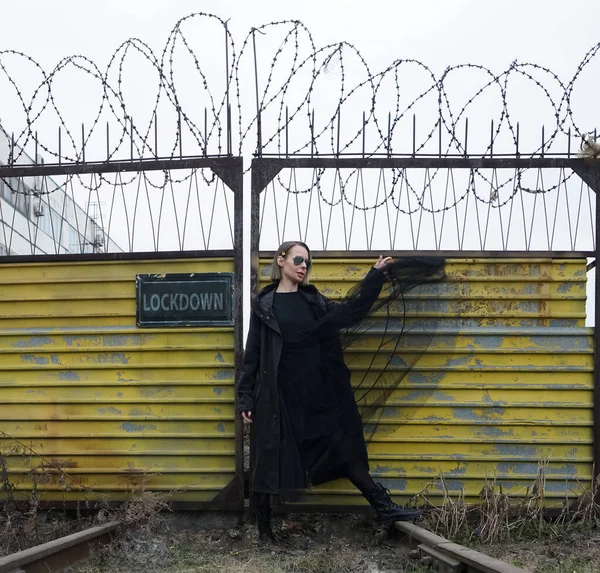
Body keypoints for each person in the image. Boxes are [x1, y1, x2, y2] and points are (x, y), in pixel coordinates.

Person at [237, 241, 437, 543]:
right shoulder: (264, 306)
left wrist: (375, 276)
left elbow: (352, 314)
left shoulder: (313, 301)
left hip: (317, 397)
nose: (304, 266)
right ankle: (265, 533)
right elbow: (252, 355)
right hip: (278, 398)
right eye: (298, 259)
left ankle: (384, 507)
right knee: (267, 460)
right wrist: (245, 398)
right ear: (281, 261)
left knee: (343, 448)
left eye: (308, 262)